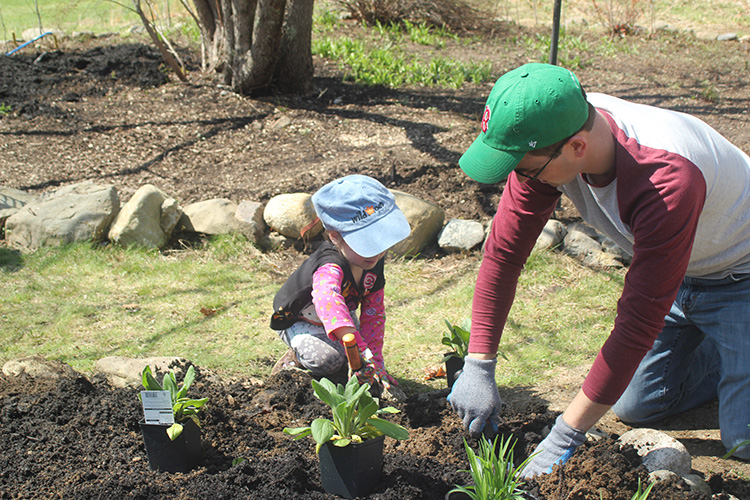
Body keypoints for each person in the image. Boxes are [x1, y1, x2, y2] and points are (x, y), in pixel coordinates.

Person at [449, 62, 750, 475]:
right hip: (680, 278)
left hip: (741, 275)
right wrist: (479, 363)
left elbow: (637, 323)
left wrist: (564, 436)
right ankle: (727, 352)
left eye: (524, 168)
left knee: (743, 441)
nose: (519, 178)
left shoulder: (666, 180)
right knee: (638, 407)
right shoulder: (552, 128)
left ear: (576, 148)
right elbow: (503, 256)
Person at [269, 174, 410, 390]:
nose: (376, 251)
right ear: (335, 237)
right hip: (299, 317)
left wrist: (376, 363)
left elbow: (374, 314)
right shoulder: (329, 266)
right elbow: (328, 299)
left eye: (380, 238)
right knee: (329, 361)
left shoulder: (372, 261)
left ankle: (339, 347)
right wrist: (358, 347)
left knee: (351, 356)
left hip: (341, 313)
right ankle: (293, 359)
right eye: (364, 242)